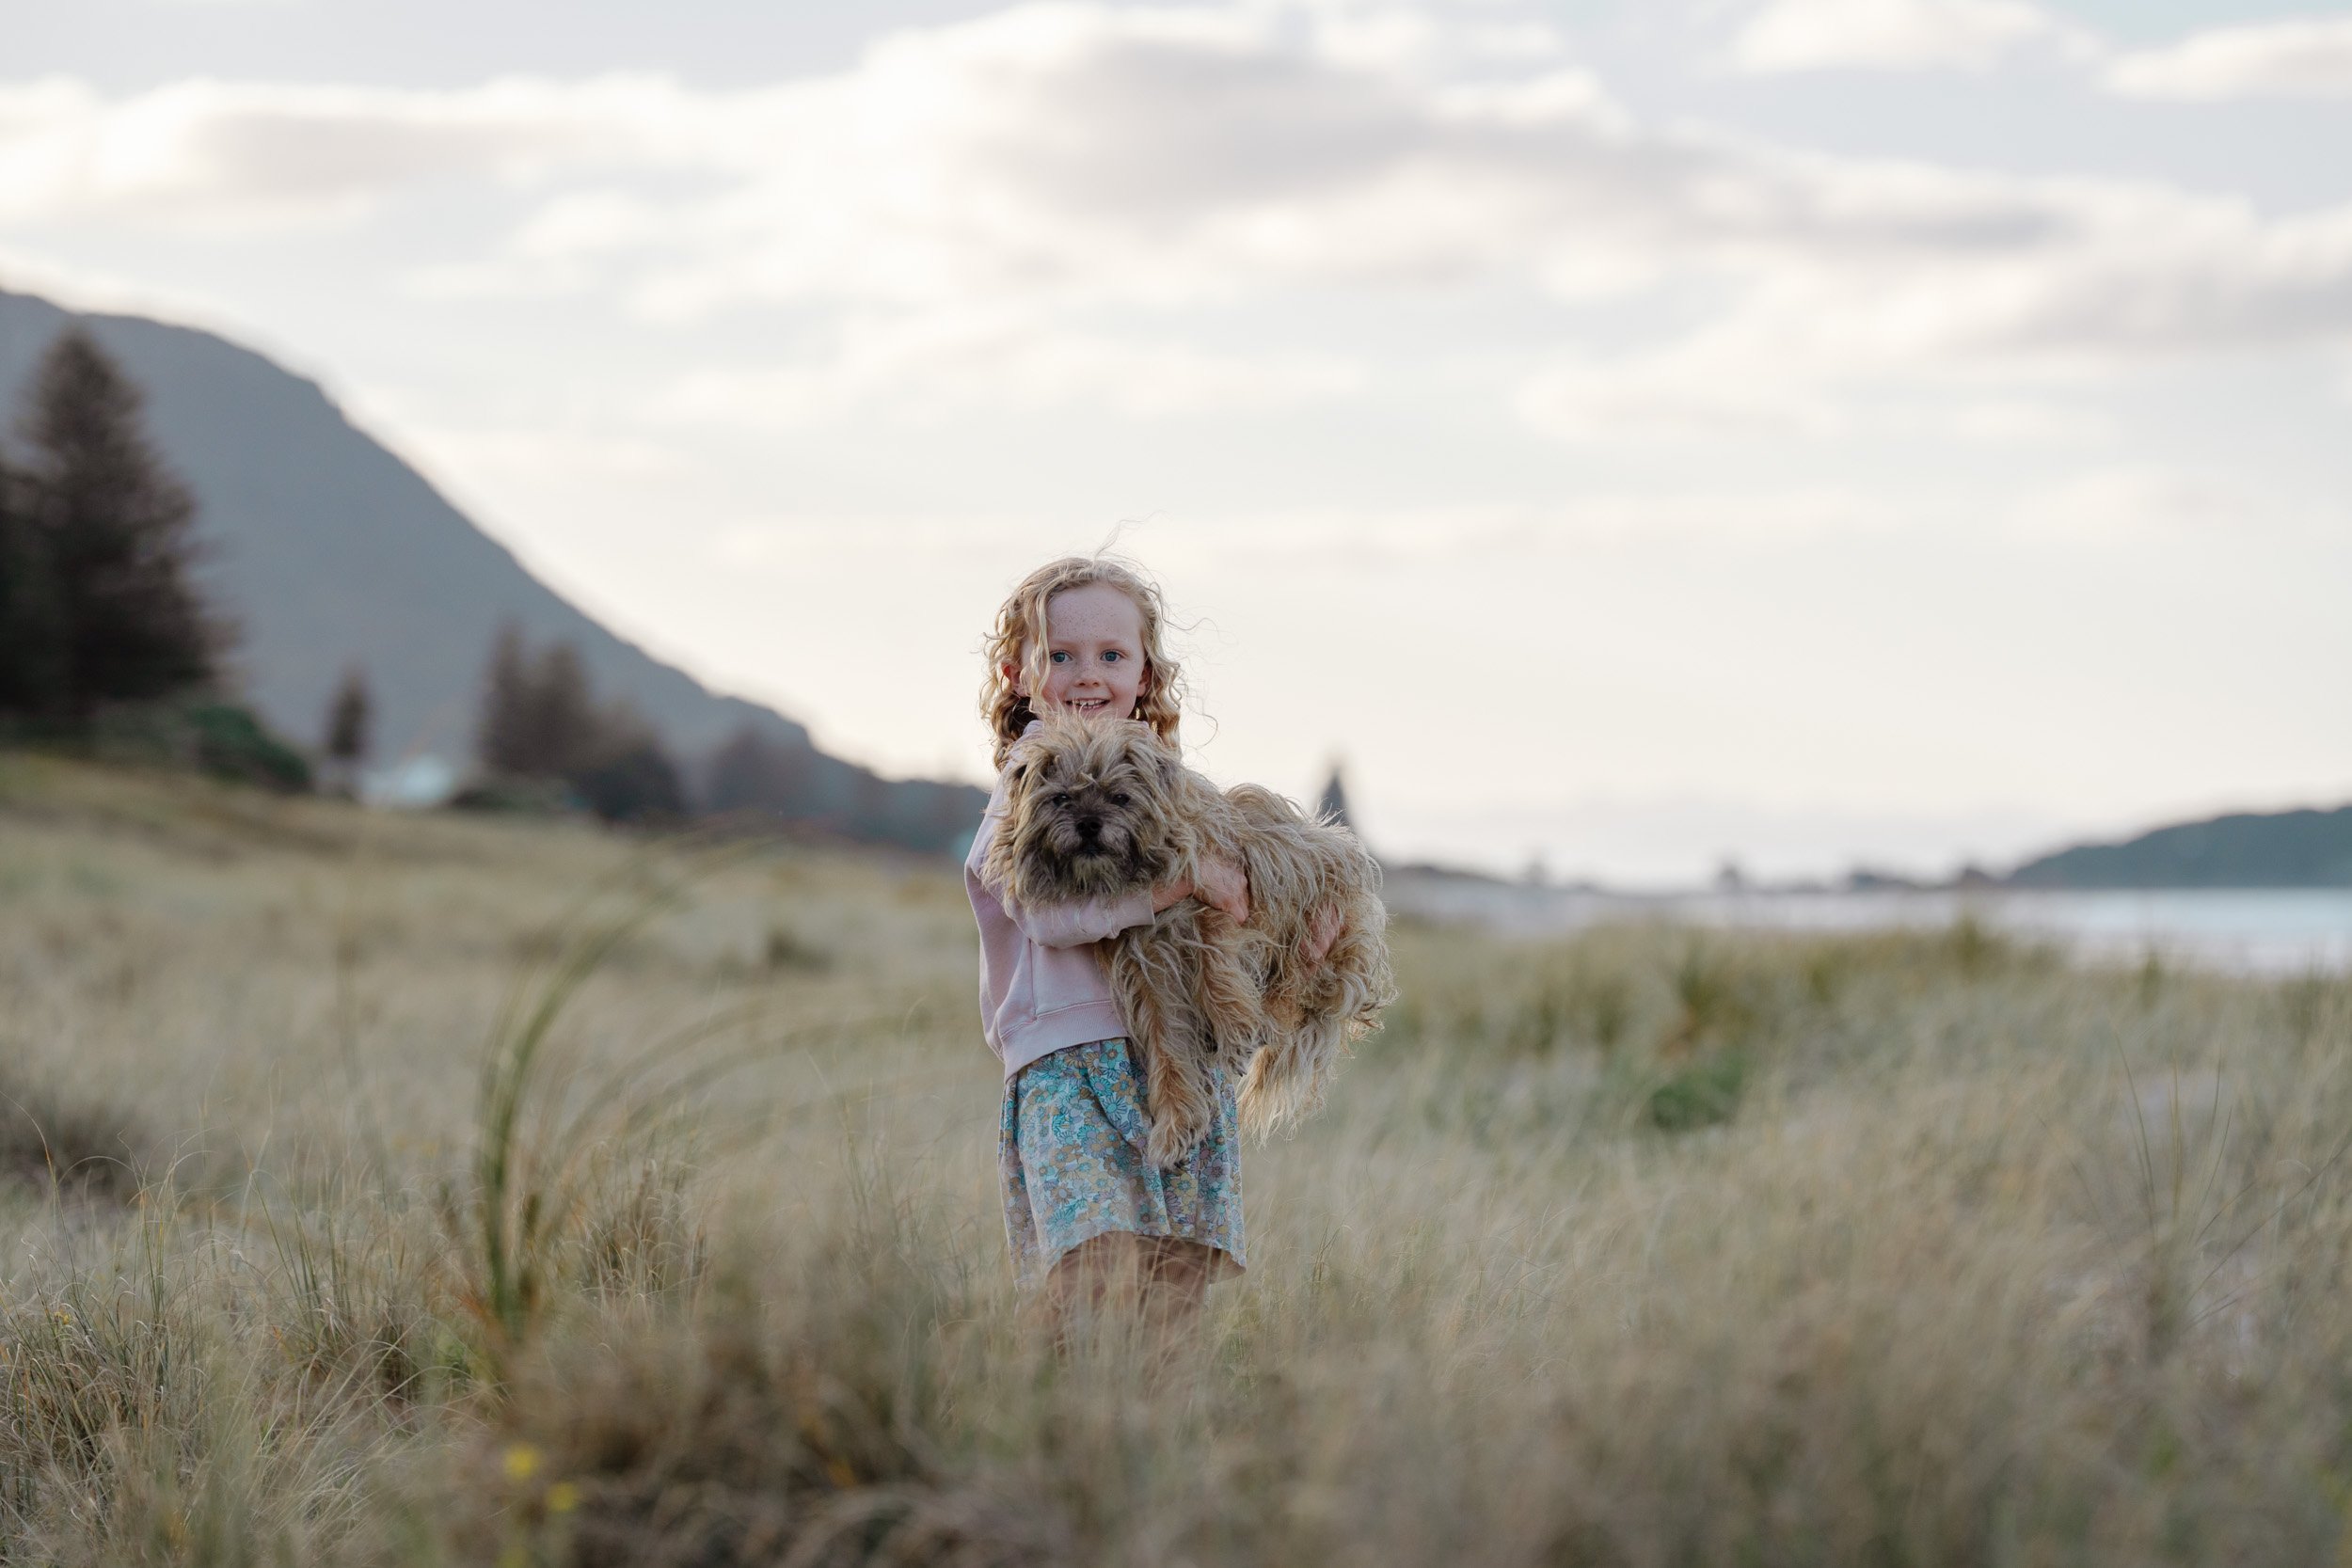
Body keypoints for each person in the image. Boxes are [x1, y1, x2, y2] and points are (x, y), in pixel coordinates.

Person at [967, 554, 1286, 1346]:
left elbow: (1230, 902)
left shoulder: (1167, 781)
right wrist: (1179, 886)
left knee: (1176, 1274)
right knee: (1093, 1261)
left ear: (1146, 673)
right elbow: (1047, 913)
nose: (1088, 674)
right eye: (1062, 654)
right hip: (1068, 1059)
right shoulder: (1029, 776)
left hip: (1177, 1056)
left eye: (1112, 655)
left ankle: (1149, 1439)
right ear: (1018, 673)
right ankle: (1013, 1397)